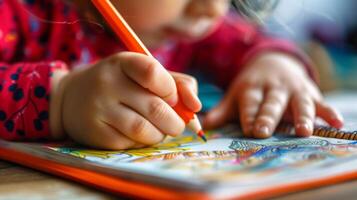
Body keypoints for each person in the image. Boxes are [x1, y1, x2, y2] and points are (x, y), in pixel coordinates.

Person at [0, 0, 343, 149]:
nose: (213, 9)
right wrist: (61, 98)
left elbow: (246, 42)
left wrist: (275, 64)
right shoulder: (15, 12)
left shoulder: (187, 26)